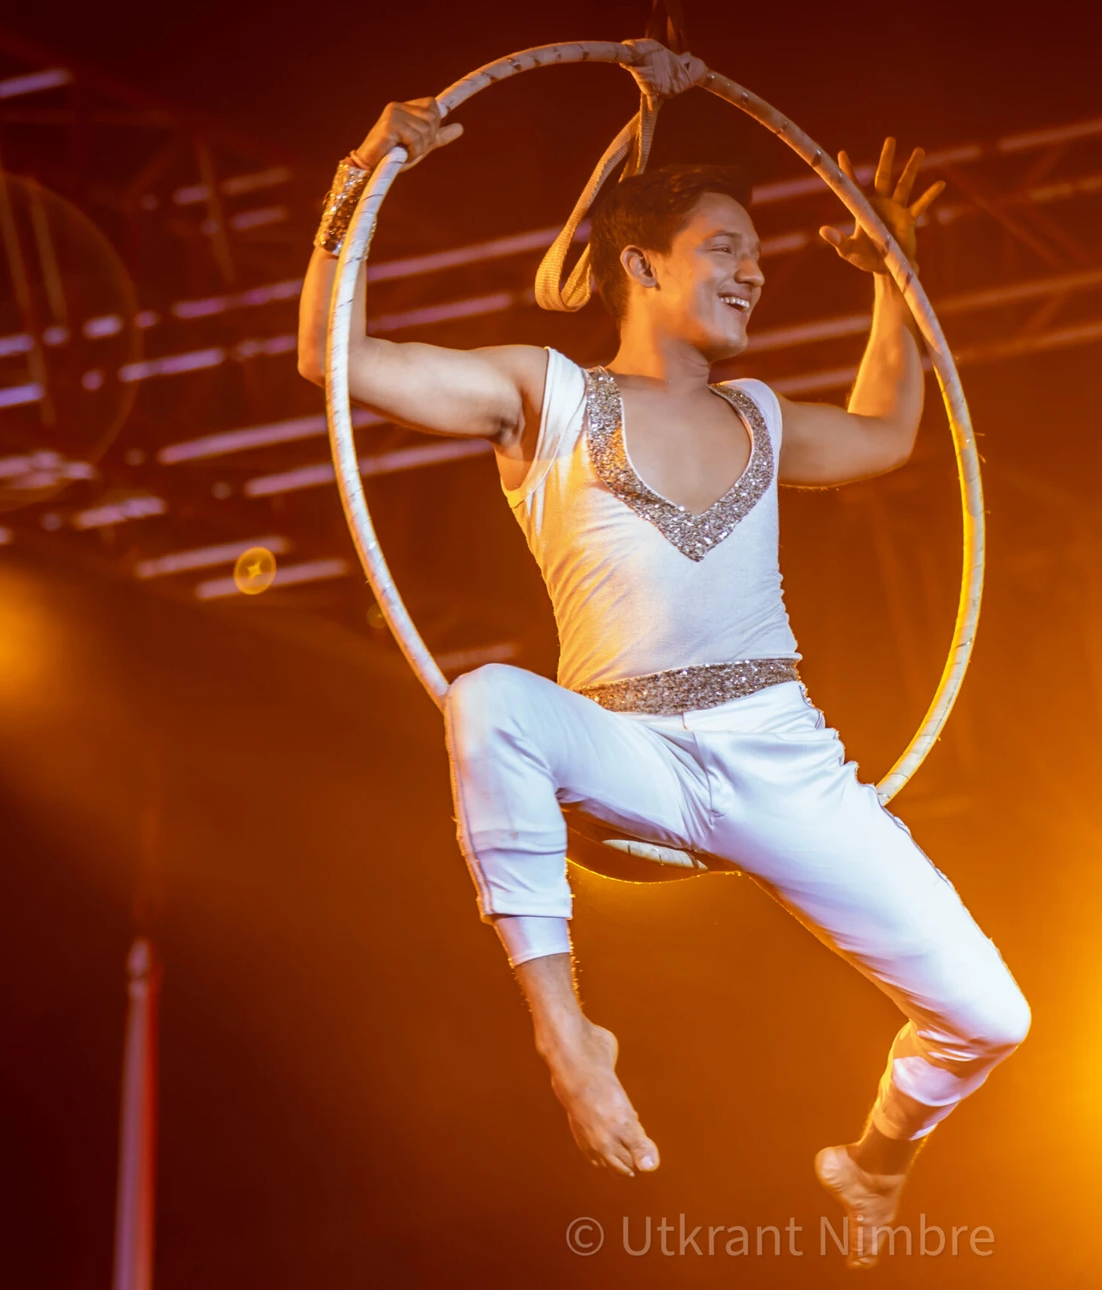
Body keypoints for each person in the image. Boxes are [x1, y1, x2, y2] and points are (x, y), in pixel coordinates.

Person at [297, 92, 1029, 1269]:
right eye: (725, 247)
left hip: (782, 758)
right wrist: (361, 173)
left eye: (756, 253)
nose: (755, 271)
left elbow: (887, 433)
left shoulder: (761, 419)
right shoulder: (546, 393)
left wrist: (895, 276)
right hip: (628, 756)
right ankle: (566, 1031)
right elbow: (335, 359)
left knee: (993, 1016)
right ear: (641, 264)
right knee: (488, 698)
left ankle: (877, 1159)